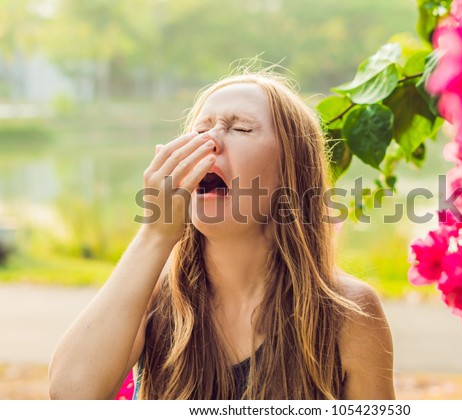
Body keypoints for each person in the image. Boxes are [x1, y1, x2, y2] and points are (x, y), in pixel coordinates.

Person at [48, 71, 395, 400]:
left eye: (241, 129)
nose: (207, 142)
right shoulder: (153, 297)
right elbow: (72, 394)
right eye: (199, 130)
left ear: (292, 172)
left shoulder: (346, 313)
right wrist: (156, 233)